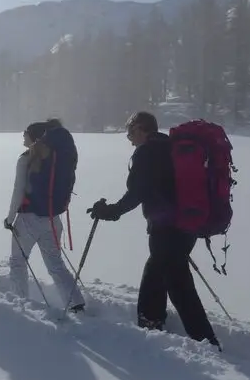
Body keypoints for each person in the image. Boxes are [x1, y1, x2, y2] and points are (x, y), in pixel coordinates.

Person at [86, 111, 220, 348]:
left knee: (178, 284)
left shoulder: (147, 152)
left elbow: (138, 192)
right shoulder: (170, 147)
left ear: (142, 128)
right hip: (186, 226)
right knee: (157, 274)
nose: (128, 137)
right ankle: (151, 323)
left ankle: (207, 341)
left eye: (130, 131)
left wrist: (111, 211)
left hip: (168, 227)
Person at [4, 120, 85, 312]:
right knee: (55, 264)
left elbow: (18, 191)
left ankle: (19, 303)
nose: (23, 136)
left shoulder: (27, 158)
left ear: (34, 137)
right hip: (53, 219)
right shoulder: (57, 159)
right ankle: (76, 303)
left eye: (26, 133)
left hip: (28, 219)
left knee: (18, 262)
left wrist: (9, 218)